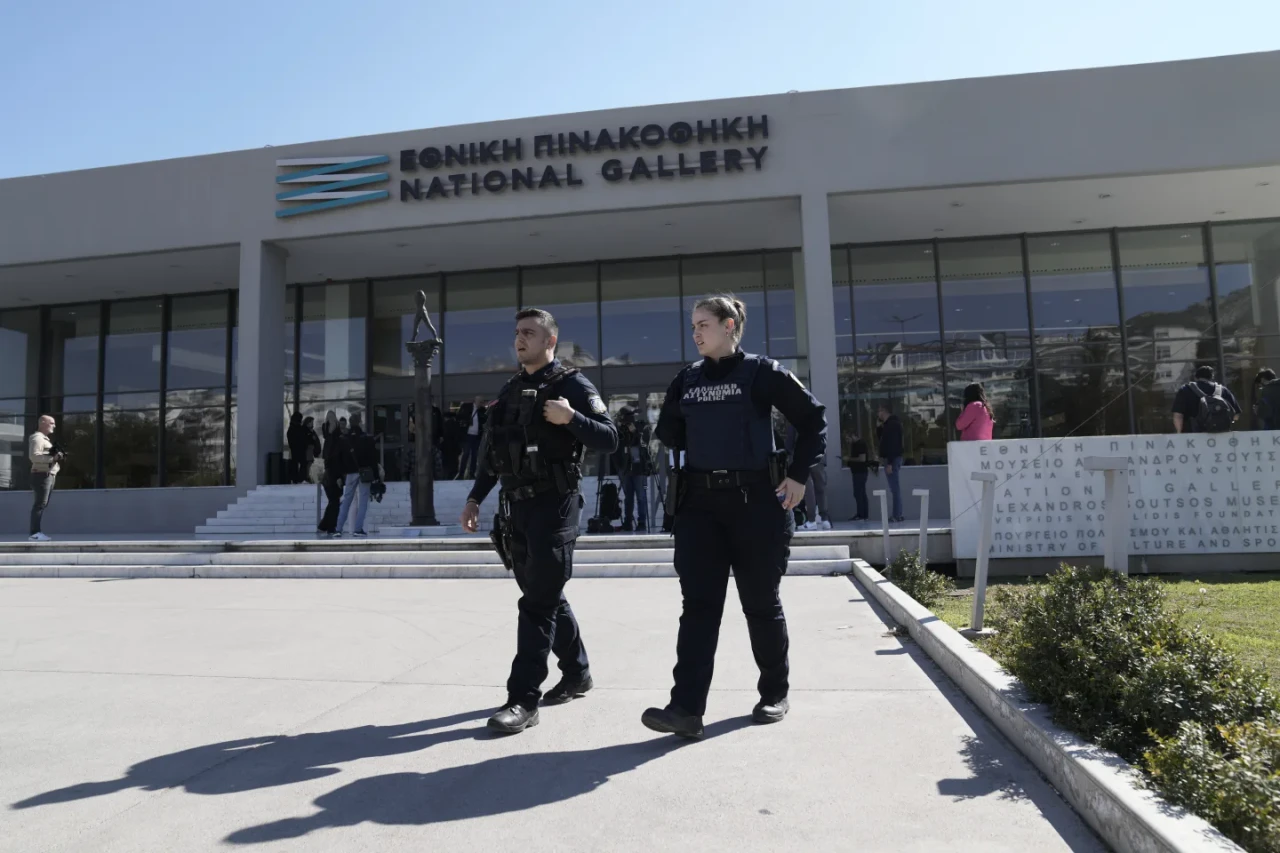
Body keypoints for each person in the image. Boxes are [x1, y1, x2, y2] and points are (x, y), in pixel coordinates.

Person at [641, 294, 826, 739]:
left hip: (757, 504)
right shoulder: (687, 379)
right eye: (693, 326)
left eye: (703, 324)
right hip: (700, 506)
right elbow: (669, 433)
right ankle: (685, 709)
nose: (696, 333)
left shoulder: (763, 373)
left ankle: (773, 693)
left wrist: (798, 477)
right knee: (699, 608)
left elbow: (813, 419)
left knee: (760, 604)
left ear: (729, 326)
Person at [460, 308, 618, 735]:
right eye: (516, 333)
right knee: (543, 595)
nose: (519, 339)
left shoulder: (572, 385)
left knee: (536, 604)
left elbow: (610, 436)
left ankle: (523, 699)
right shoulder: (510, 390)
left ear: (551, 341)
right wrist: (476, 497)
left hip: (556, 505)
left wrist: (572, 419)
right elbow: (495, 453)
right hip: (517, 508)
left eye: (529, 333)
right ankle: (578, 671)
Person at [335, 414, 377, 537]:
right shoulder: (366, 438)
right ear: (360, 422)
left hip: (350, 473)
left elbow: (340, 458)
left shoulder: (344, 439)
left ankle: (338, 528)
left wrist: (340, 474)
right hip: (364, 473)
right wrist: (375, 474)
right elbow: (372, 458)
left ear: (349, 422)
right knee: (363, 501)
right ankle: (358, 529)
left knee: (347, 500)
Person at [615, 406, 653, 532]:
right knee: (628, 497)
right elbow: (617, 448)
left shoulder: (642, 427)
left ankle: (641, 522)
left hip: (639, 468)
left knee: (641, 497)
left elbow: (644, 443)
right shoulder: (620, 430)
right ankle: (628, 522)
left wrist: (635, 432)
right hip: (625, 468)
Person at [1172, 365, 1240, 434]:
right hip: (1221, 435)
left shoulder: (1185, 390)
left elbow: (1178, 416)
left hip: (1193, 436)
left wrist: (1179, 433)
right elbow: (1236, 415)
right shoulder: (1223, 390)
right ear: (1212, 377)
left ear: (1196, 377)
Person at [28, 415, 64, 541]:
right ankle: (35, 533)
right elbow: (34, 457)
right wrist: (53, 458)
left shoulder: (45, 439)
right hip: (41, 475)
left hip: (48, 474)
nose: (54, 425)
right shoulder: (37, 438)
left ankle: (36, 533)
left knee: (42, 504)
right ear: (43, 423)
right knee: (39, 504)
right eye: (51, 423)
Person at [877, 402, 904, 523]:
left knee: (894, 488)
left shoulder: (892, 425)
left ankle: (897, 515)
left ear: (884, 411)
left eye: (879, 411)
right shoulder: (888, 425)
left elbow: (893, 445)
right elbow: (883, 441)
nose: (878, 414)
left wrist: (890, 463)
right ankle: (898, 513)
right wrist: (879, 428)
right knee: (894, 488)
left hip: (891, 459)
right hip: (890, 459)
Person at [456, 396, 487, 479]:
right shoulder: (467, 407)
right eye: (480, 402)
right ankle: (461, 473)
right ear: (475, 401)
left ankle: (472, 473)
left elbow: (484, 420)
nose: (481, 404)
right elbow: (459, 417)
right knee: (466, 453)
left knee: (474, 455)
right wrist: (466, 421)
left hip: (476, 436)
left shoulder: (482, 411)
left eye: (482, 402)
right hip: (467, 435)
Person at [846, 429, 870, 522]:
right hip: (857, 472)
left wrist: (849, 459)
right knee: (860, 493)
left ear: (853, 436)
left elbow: (862, 459)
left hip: (860, 472)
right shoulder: (854, 445)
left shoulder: (860, 444)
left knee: (859, 493)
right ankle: (863, 515)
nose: (847, 441)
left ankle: (862, 515)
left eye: (848, 438)